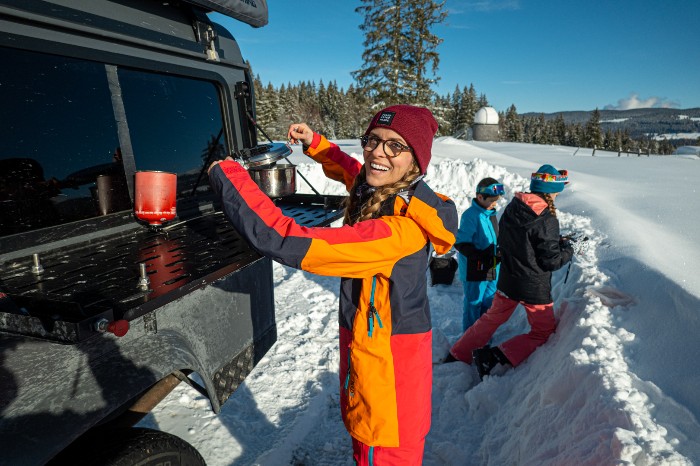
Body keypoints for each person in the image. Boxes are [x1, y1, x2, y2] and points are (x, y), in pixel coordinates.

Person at [208, 105, 458, 465]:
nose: (377, 152)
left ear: (417, 161)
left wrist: (228, 176)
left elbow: (284, 238)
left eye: (395, 146)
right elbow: (353, 172)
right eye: (373, 140)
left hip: (388, 391)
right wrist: (317, 144)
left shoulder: (396, 233)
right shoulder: (389, 193)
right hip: (382, 368)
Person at [447, 164, 573, 379]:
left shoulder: (514, 205)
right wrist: (568, 250)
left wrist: (554, 242)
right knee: (542, 332)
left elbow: (518, 241)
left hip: (507, 281)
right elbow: (550, 261)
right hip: (533, 287)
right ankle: (495, 357)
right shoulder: (546, 218)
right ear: (553, 191)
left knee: (490, 319)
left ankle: (458, 353)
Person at [454, 177, 504, 332]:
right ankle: (469, 341)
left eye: (497, 200)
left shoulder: (491, 214)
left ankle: (482, 336)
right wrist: (480, 256)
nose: (495, 204)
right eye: (492, 200)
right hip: (475, 268)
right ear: (480, 197)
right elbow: (461, 242)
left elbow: (495, 238)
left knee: (488, 302)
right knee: (474, 303)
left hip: (492, 265)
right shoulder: (471, 215)